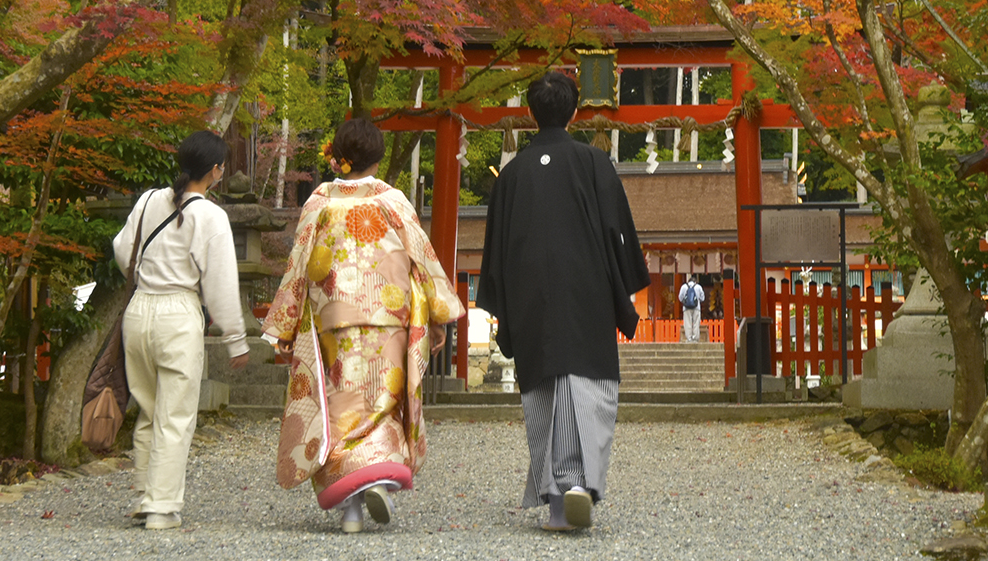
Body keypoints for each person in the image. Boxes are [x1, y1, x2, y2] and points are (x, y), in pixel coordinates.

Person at [263, 118, 465, 534]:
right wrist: (441, 315)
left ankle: (352, 510)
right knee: (383, 403)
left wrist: (284, 326)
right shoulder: (392, 201)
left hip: (332, 318)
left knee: (341, 409)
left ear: (339, 156)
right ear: (378, 157)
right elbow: (422, 259)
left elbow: (298, 265)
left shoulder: (319, 201)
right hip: (388, 318)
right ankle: (379, 480)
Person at [478, 71, 649, 532]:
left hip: (530, 293)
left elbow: (495, 250)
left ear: (531, 114)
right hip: (587, 291)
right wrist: (624, 286)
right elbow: (617, 233)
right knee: (586, 387)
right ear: (574, 111)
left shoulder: (511, 175)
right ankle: (579, 484)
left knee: (545, 390)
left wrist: (503, 303)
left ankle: (558, 501)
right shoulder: (595, 163)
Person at [111, 130, 251, 531]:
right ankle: (161, 506)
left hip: (138, 311)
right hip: (178, 313)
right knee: (175, 416)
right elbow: (221, 286)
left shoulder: (148, 200)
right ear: (214, 171)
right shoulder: (211, 216)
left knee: (149, 410)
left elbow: (124, 251)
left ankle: (144, 493)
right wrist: (235, 339)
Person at [678, 276, 704, 343]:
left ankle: (689, 338)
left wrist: (685, 301)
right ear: (695, 281)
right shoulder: (698, 287)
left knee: (687, 323)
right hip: (696, 308)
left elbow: (680, 297)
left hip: (686, 308)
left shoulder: (684, 286)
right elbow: (702, 298)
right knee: (696, 323)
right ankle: (695, 338)